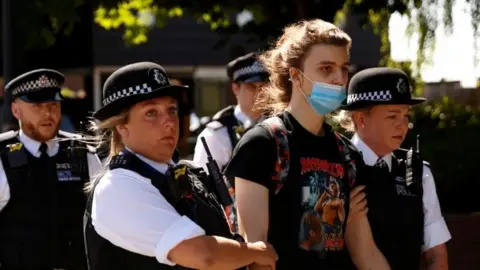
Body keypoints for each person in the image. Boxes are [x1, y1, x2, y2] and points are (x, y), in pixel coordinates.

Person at [223, 19, 389, 270]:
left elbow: (364, 250)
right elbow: (256, 255)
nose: (338, 78)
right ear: (295, 76)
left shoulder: (347, 154)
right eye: (326, 68)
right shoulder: (263, 144)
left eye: (343, 68)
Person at [83, 62, 278, 270]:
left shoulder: (185, 174)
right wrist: (258, 251)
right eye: (151, 113)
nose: (169, 121)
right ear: (122, 126)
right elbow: (204, 255)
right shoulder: (118, 187)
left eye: (172, 109)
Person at [334, 67, 451, 269]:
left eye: (406, 116)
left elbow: (436, 253)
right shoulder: (334, 165)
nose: (402, 125)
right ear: (360, 119)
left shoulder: (417, 171)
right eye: (392, 116)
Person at [0, 69, 103, 270]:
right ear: (16, 110)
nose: (47, 113)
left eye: (53, 105)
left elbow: (106, 220)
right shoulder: (3, 158)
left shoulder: (83, 153)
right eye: (37, 106)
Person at [193, 52, 269, 172]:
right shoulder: (216, 135)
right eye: (251, 87)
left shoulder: (277, 126)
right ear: (235, 88)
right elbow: (203, 186)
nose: (259, 93)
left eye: (263, 87)